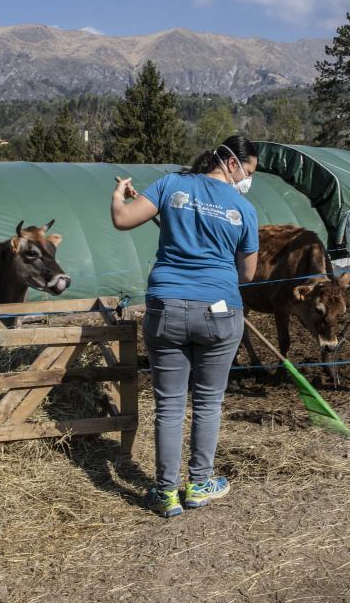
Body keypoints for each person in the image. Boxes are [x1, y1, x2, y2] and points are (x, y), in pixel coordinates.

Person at [110, 135, 259, 517]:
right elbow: (248, 272)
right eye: (248, 170)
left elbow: (123, 219)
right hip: (221, 310)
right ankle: (199, 483)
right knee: (208, 402)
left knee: (170, 405)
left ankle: (165, 491)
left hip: (166, 307)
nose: (247, 179)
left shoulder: (170, 185)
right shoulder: (243, 208)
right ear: (230, 162)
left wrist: (119, 195)